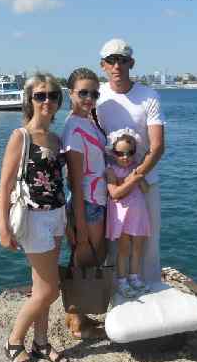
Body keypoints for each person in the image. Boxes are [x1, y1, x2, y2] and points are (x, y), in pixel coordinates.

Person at [0, 73, 71, 362]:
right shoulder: (21, 136)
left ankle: (41, 342)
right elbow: (5, 185)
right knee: (49, 291)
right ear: (30, 100)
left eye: (52, 95)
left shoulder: (56, 139)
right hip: (34, 218)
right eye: (40, 95)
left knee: (42, 286)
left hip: (57, 215)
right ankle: (14, 341)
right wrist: (4, 227)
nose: (47, 101)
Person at [96, 38, 166, 284]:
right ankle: (115, 289)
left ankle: (149, 286)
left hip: (145, 183)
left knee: (148, 238)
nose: (117, 66)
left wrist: (135, 177)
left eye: (122, 60)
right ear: (103, 65)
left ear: (131, 63)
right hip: (109, 183)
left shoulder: (149, 96)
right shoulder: (97, 96)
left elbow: (157, 146)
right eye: (111, 60)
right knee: (112, 240)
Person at [61, 67, 108, 338]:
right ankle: (78, 322)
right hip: (88, 202)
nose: (89, 98)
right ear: (71, 94)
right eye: (83, 93)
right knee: (86, 259)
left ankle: (75, 315)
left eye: (94, 93)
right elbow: (76, 183)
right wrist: (79, 228)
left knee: (85, 259)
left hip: (95, 199)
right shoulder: (73, 130)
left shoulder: (87, 121)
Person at [105, 130, 151, 297]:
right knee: (123, 249)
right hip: (122, 216)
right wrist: (132, 179)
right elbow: (114, 193)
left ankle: (135, 277)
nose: (125, 157)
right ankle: (122, 281)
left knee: (138, 248)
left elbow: (145, 189)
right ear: (113, 153)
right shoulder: (111, 170)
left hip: (138, 213)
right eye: (120, 153)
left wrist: (139, 176)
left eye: (130, 153)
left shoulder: (136, 169)